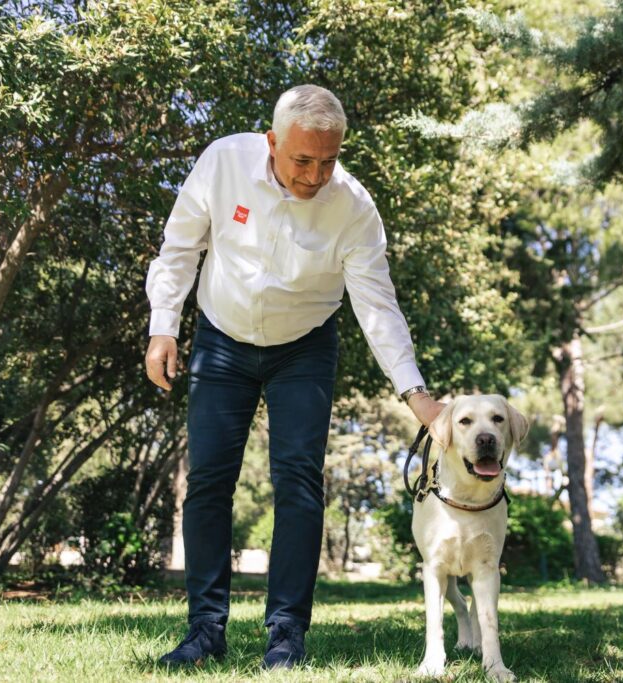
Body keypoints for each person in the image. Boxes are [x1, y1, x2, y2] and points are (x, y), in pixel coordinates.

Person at [144, 84, 444, 670]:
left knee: (299, 482)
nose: (314, 176)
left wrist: (417, 396)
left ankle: (286, 635)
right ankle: (205, 629)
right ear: (272, 141)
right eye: (302, 160)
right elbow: (180, 247)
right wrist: (164, 327)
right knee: (208, 480)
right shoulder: (223, 161)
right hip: (222, 339)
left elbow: (377, 306)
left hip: (304, 348)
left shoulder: (353, 208)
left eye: (328, 161)